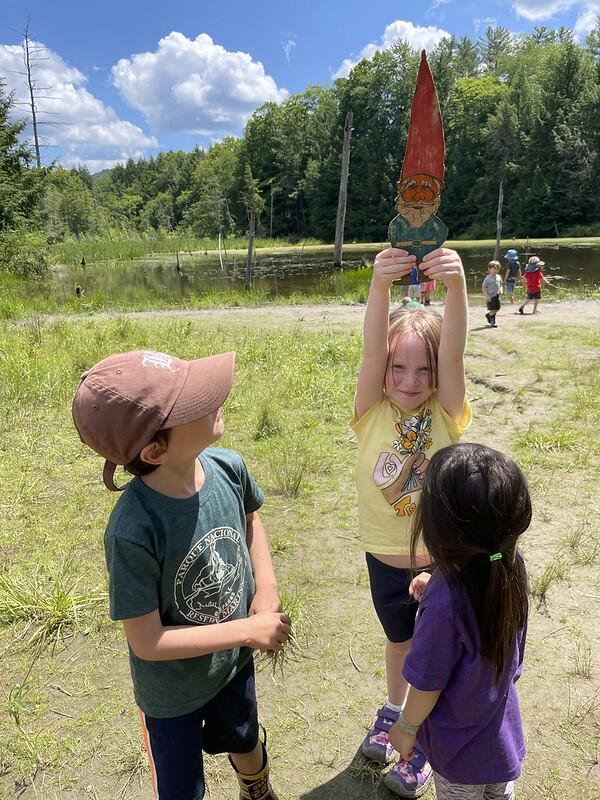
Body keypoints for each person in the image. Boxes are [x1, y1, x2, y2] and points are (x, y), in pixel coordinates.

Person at [71, 349, 291, 800]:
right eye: (193, 403)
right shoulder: (133, 531)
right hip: (171, 695)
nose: (213, 399)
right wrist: (247, 630)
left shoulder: (228, 468)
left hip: (232, 666)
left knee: (246, 739)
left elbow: (251, 521)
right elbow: (147, 641)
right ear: (154, 449)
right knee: (181, 789)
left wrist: (265, 587)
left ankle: (258, 788)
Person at [352, 247, 471, 797]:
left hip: (440, 563)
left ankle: (422, 739)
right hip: (383, 561)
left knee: (435, 653)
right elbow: (373, 351)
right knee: (398, 642)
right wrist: (379, 286)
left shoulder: (445, 411)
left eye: (422, 367)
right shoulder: (371, 411)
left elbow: (453, 357)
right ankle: (394, 709)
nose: (409, 377)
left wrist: (457, 288)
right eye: (399, 367)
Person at [388, 443, 531, 800]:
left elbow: (427, 682)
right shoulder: (508, 565)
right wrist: (436, 577)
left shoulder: (445, 602)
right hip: (501, 734)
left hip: (459, 750)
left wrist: (406, 727)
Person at [482, 261, 502, 327]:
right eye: (494, 269)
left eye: (497, 269)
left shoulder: (498, 277)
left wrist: (501, 289)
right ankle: (492, 321)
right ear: (489, 269)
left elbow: (500, 284)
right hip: (490, 296)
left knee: (497, 308)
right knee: (493, 309)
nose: (496, 270)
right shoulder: (487, 279)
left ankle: (489, 315)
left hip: (497, 295)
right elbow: (483, 287)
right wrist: (487, 296)